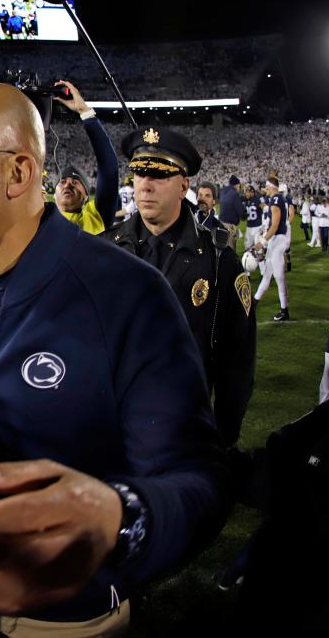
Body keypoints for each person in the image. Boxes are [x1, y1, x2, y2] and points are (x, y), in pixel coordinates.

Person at [0, 82, 231, 635]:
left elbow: (197, 477)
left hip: (69, 617)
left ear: (18, 173)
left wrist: (117, 519)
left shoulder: (125, 294)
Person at [104, 127, 256, 447]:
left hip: (183, 431)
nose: (145, 185)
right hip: (112, 427)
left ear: (184, 186)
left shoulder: (220, 262)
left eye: (158, 175)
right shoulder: (105, 250)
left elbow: (237, 360)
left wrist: (224, 438)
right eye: (139, 173)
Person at [51, 81, 119, 234]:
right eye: (62, 182)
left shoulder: (95, 217)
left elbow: (109, 169)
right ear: (54, 195)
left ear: (87, 196)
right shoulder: (39, 221)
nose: (68, 185)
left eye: (75, 182)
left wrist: (85, 112)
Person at [254, 176, 290, 321]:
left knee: (279, 277)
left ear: (273, 187)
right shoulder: (276, 199)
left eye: (267, 187)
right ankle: (254, 304)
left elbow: (275, 226)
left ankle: (284, 310)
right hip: (276, 240)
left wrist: (262, 241)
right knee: (268, 275)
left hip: (278, 240)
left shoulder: (276, 199)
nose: (266, 190)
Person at [219, 175, 243, 248]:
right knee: (231, 248)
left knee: (223, 247)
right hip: (230, 225)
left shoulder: (223, 191)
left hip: (221, 223)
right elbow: (240, 212)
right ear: (236, 185)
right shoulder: (235, 194)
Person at [244, 184, 264, 252]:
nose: (247, 193)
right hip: (249, 227)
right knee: (247, 248)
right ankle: (250, 262)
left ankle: (260, 262)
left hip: (257, 227)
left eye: (249, 192)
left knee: (258, 249)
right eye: (246, 191)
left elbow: (265, 209)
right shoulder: (245, 201)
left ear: (253, 192)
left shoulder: (258, 199)